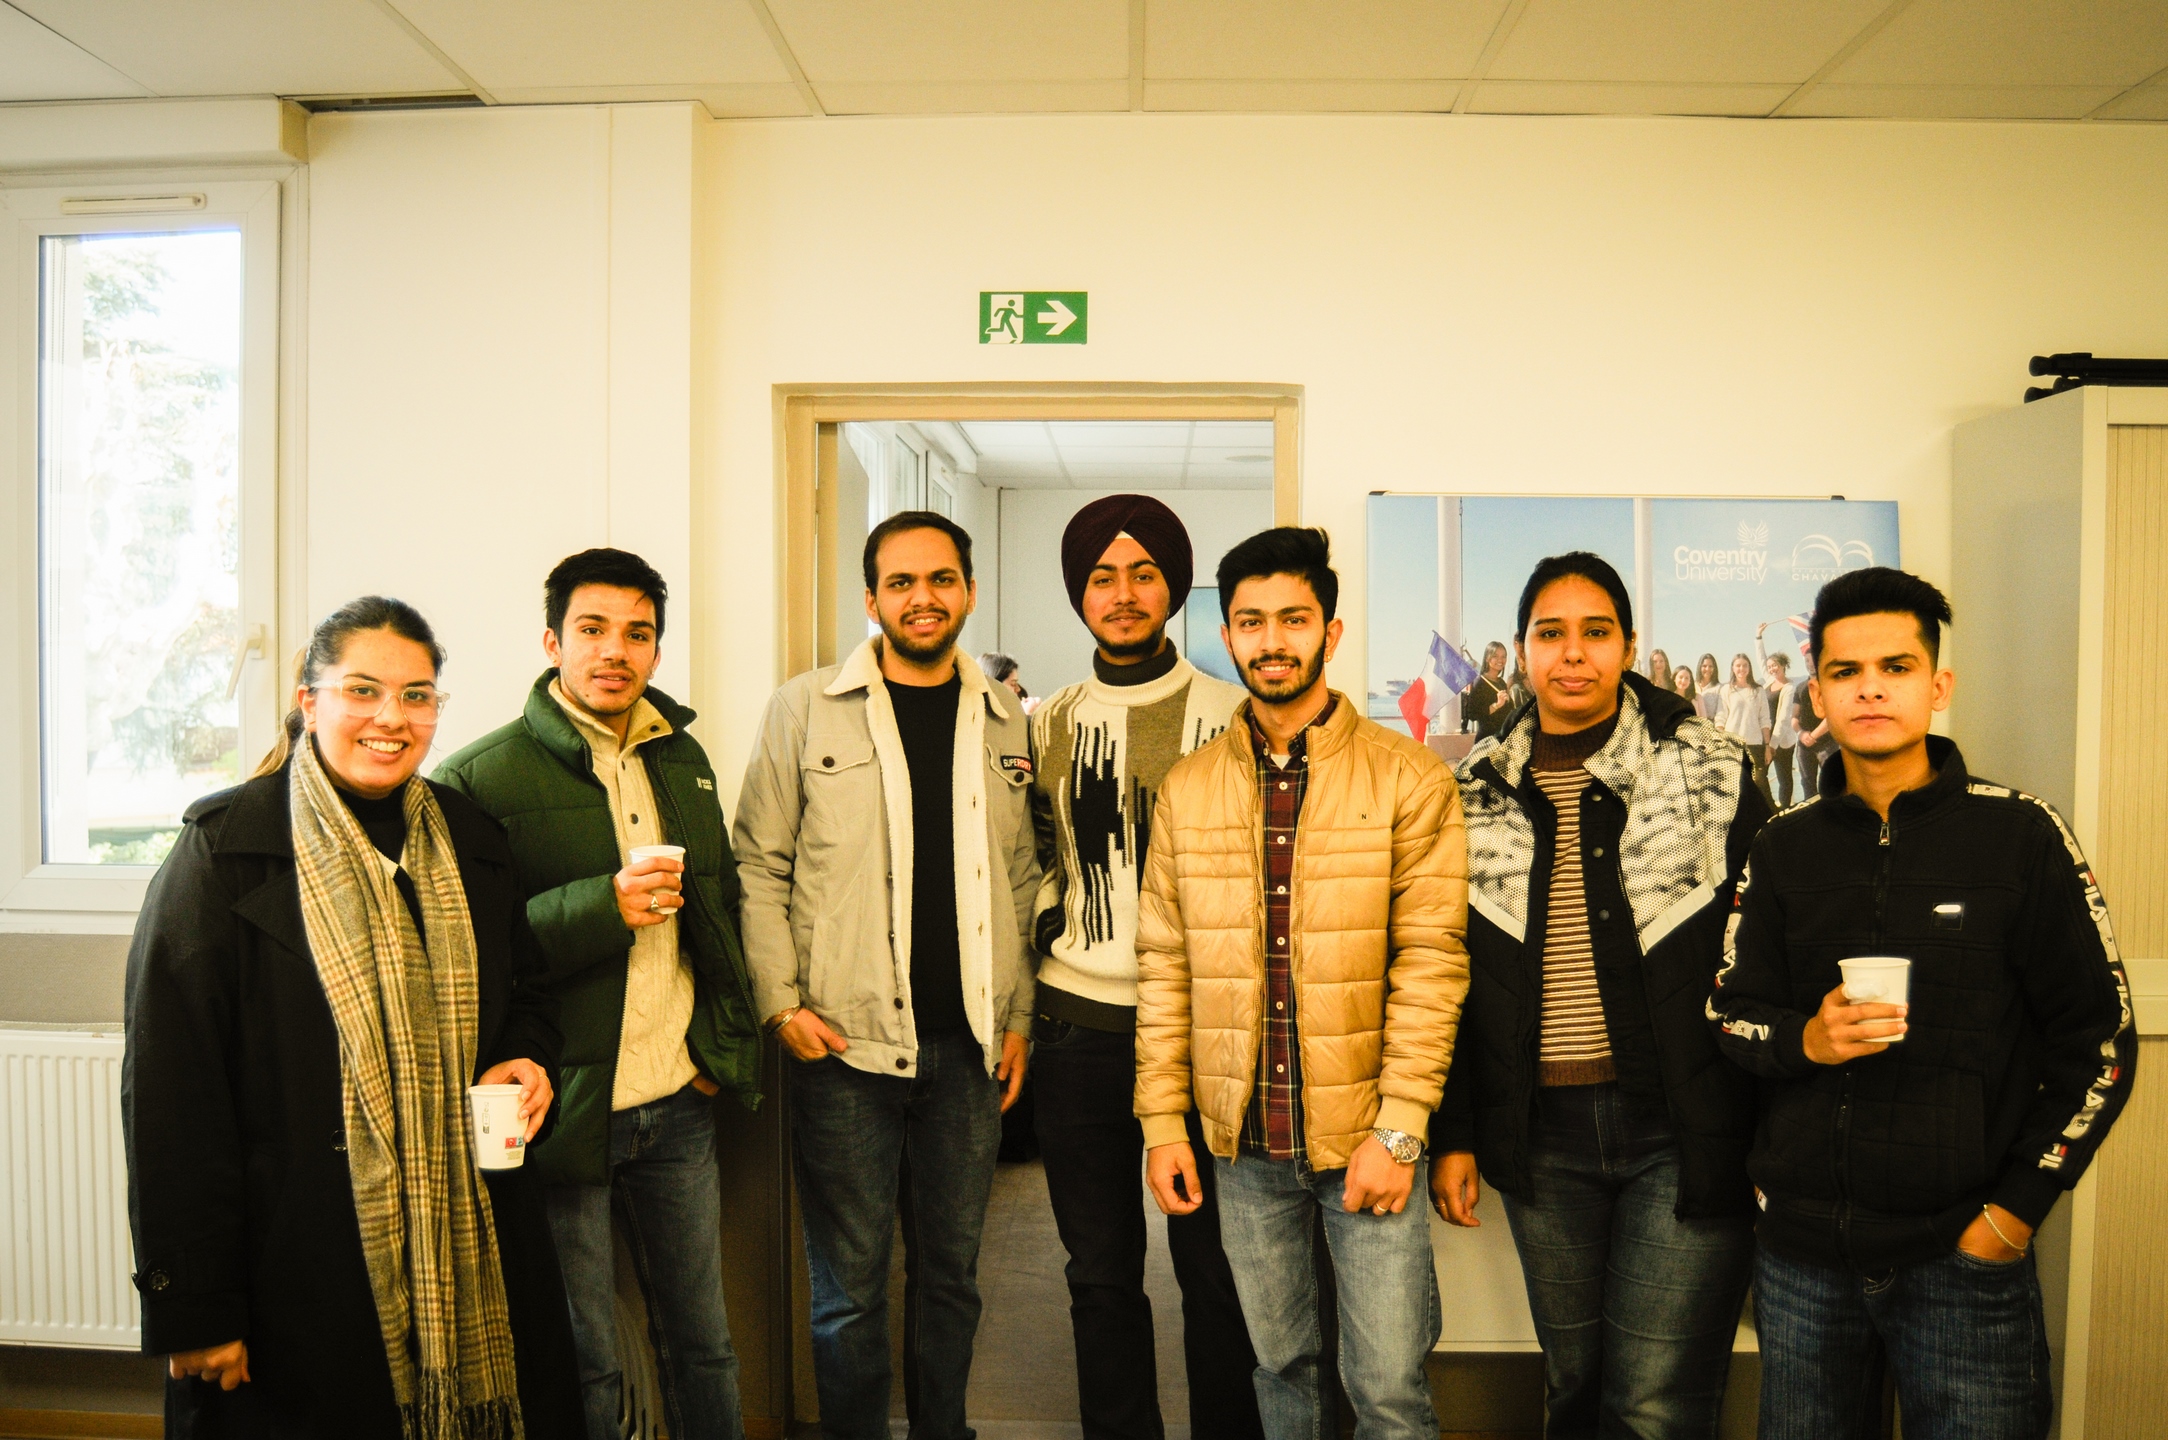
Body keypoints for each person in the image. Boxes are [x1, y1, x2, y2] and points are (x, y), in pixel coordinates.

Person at [125, 597, 581, 1438]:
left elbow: (529, 996)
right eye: (362, 690)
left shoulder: (472, 839)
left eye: (417, 695)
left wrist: (526, 1058)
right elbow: (172, 1096)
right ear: (309, 700)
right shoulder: (225, 851)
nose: (391, 717)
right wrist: (195, 1303)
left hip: (475, 1237)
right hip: (293, 1263)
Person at [1710, 568, 2138, 1440]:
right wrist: (1806, 1039)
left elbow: (2100, 1043)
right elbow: (1729, 1011)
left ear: (1938, 686)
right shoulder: (1783, 846)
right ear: (1817, 695)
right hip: (1803, 1258)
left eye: (1896, 667)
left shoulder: (2020, 835)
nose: (1870, 688)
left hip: (1963, 1253)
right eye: (1846, 671)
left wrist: (2013, 1213)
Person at [1136, 526, 1469, 1440]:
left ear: (1332, 630)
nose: (1272, 640)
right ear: (1227, 635)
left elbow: (1433, 963)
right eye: (1251, 622)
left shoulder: (1408, 779)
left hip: (1368, 1132)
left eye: (1294, 618)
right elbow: (1164, 966)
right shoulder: (1189, 788)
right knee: (1281, 1369)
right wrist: (1162, 1124)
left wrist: (1400, 1130)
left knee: (1388, 1388)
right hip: (1243, 1143)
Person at [1430, 554, 1767, 1440]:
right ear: (1523, 650)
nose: (1572, 653)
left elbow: (1769, 943)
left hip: (1683, 1129)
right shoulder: (1475, 789)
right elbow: (1449, 974)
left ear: (1628, 645)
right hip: (1543, 1137)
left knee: (1655, 1402)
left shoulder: (1708, 766)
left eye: (1596, 632)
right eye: (1551, 633)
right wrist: (1454, 1133)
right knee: (1575, 1382)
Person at [435, 549, 763, 1440]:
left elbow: (723, 910)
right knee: (585, 1357)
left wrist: (715, 1053)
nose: (616, 650)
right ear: (552, 642)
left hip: (678, 1103)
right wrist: (601, 907)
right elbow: (466, 958)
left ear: (656, 649)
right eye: (592, 629)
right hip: (566, 1111)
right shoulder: (477, 779)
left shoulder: (682, 757)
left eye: (638, 633)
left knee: (704, 1345)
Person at [735, 511, 1038, 1440]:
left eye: (941, 579)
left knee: (951, 1280)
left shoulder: (1004, 718)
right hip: (844, 1051)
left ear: (969, 593)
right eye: (900, 582)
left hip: (970, 1053)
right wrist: (779, 1004)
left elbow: (1022, 875)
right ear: (871, 600)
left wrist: (1019, 1016)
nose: (922, 598)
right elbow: (758, 865)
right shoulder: (804, 708)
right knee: (850, 1292)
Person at [1026, 495, 1259, 1440]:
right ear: (1078, 593)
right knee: (1100, 1274)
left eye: (1143, 574)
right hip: (1076, 1029)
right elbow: (1036, 859)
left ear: (1174, 587)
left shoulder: (1235, 716)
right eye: (1101, 577)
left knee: (1217, 1271)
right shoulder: (1048, 721)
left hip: (1205, 1032)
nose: (1122, 595)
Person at [1755, 624, 1804, 807]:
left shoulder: (1789, 688)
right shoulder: (1768, 682)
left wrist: (1772, 746)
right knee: (1760, 774)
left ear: (1783, 665)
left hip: (1782, 741)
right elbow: (1761, 660)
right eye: (1770, 666)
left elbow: (1783, 719)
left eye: (1775, 665)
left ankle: (1785, 811)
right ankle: (1768, 809)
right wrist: (1758, 637)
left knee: (1784, 778)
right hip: (1766, 737)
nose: (1772, 669)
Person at [1716, 653, 1773, 805]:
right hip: (1732, 745)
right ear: (1733, 668)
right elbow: (1720, 717)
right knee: (1735, 788)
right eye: (1738, 665)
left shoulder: (1758, 690)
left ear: (1749, 668)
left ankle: (1768, 817)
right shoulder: (1726, 690)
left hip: (1755, 745)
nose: (1741, 669)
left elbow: (1765, 719)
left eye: (1744, 665)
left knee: (1760, 785)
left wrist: (1767, 746)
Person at [1460, 640, 1516, 739]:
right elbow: (1473, 714)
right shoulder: (1479, 682)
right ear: (1487, 658)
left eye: (1503, 656)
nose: (1500, 660)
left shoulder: (1501, 682)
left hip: (1502, 738)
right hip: (1487, 740)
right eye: (1495, 656)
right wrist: (1497, 705)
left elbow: (1510, 710)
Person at [1694, 653, 1723, 719]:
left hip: (1711, 723)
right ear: (1699, 667)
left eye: (1710, 666)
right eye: (1704, 666)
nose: (1707, 669)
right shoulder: (1692, 686)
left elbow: (1721, 713)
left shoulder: (1719, 688)